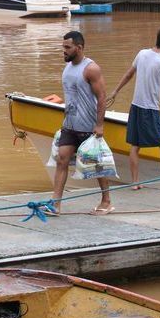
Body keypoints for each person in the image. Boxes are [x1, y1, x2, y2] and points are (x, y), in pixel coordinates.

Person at [106, 26, 160, 192]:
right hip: (150, 109)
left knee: (135, 146)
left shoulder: (142, 53)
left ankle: (135, 182)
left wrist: (115, 91)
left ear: (156, 38)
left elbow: (129, 74)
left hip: (135, 106)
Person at [44, 31, 113, 217]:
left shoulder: (91, 69)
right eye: (63, 47)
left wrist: (99, 125)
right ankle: (55, 204)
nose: (64, 51)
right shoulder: (67, 68)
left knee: (96, 165)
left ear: (79, 48)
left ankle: (106, 201)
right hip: (69, 125)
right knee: (62, 159)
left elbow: (102, 97)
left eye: (67, 47)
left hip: (88, 127)